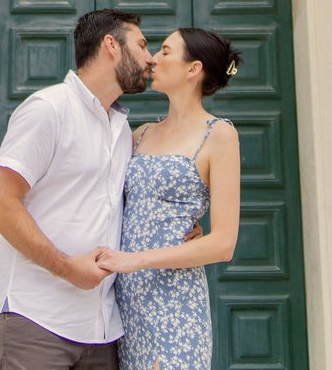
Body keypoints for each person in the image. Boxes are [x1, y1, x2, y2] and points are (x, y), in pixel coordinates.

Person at [0, 9, 154, 369]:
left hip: (101, 331)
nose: (150, 58)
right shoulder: (49, 109)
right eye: (142, 45)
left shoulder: (122, 130)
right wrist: (66, 268)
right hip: (35, 322)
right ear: (111, 45)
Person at [96, 27, 243, 370]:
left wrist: (136, 259)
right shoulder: (140, 133)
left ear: (193, 69)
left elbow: (223, 244)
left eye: (165, 51)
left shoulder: (219, 135)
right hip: (127, 303)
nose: (153, 59)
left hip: (175, 301)